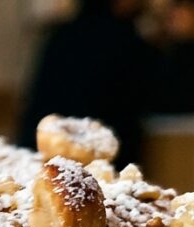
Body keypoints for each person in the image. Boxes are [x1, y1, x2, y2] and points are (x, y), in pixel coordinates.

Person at [18, 0, 194, 166]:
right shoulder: (124, 41)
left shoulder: (61, 34)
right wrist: (184, 43)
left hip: (42, 161)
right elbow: (169, 99)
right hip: (105, 170)